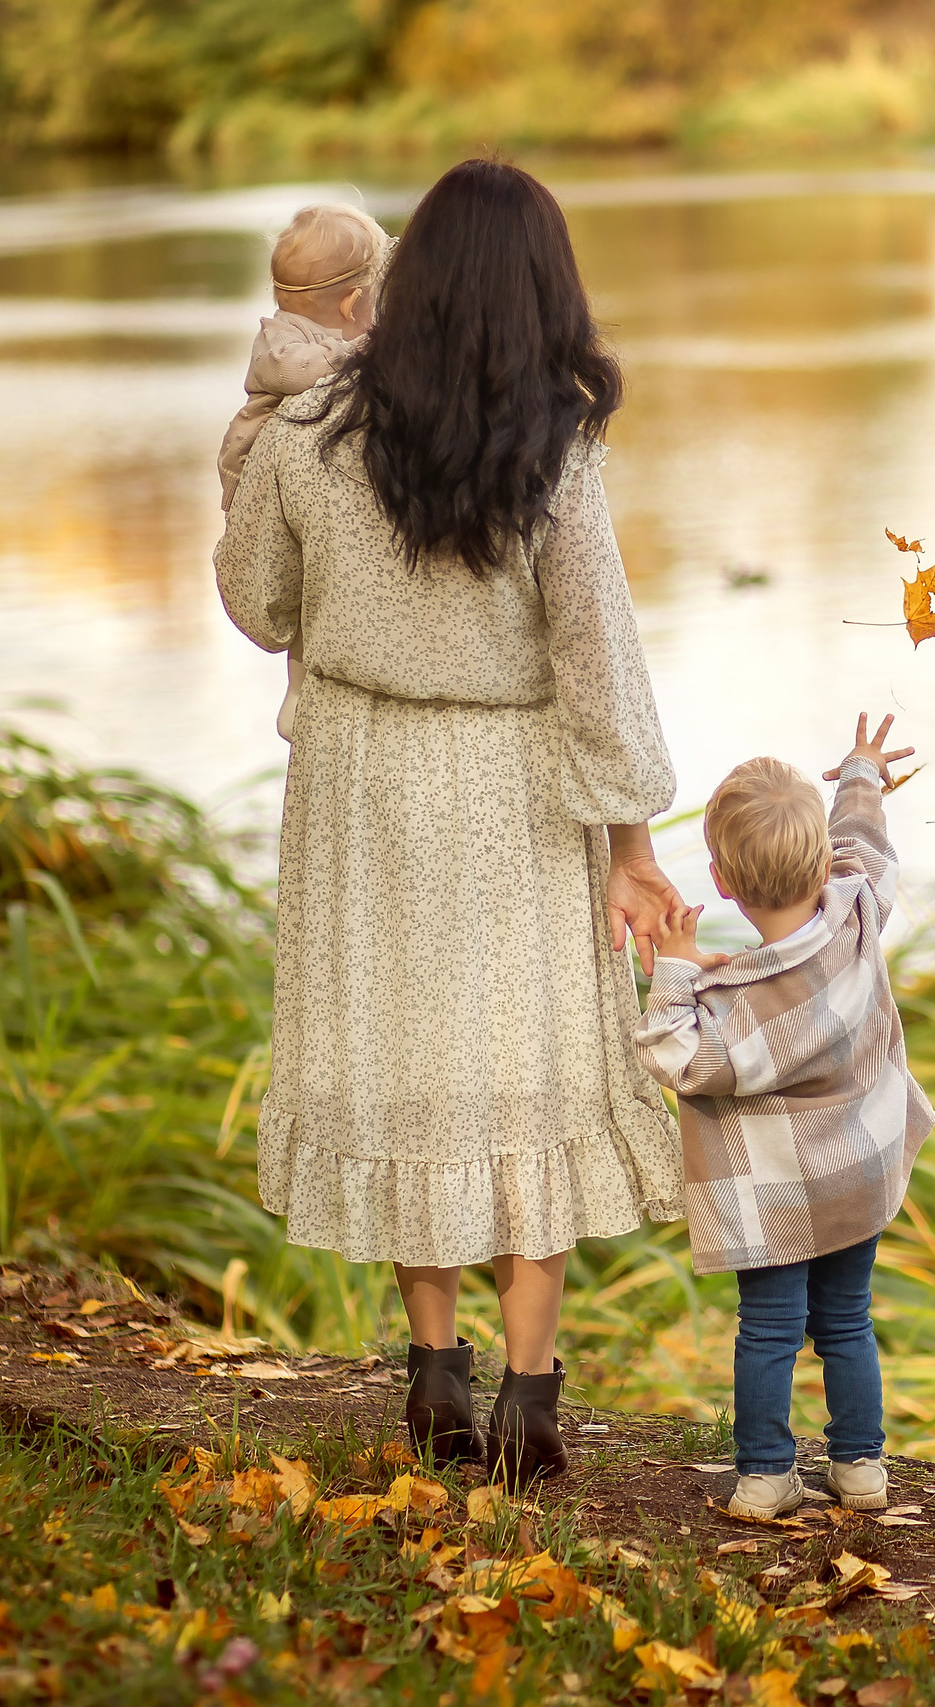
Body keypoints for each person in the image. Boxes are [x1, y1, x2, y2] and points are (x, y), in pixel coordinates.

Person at [214, 159, 686, 1486]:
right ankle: (529, 1396)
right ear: (545, 288)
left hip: (361, 783)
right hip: (512, 789)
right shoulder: (555, 449)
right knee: (524, 1068)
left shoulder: (313, 425)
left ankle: (435, 1372)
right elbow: (598, 655)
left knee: (404, 1063)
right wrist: (635, 842)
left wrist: (248, 453)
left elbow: (257, 603)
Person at [631, 715, 935, 1521]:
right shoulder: (859, 909)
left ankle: (766, 1474)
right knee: (847, 1319)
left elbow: (674, 1054)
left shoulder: (737, 1002)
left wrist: (672, 969)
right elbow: (865, 839)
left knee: (768, 1328)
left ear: (722, 881)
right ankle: (861, 1466)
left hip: (778, 1202)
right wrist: (861, 772)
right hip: (859, 1173)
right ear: (818, 858)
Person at [216, 201, 389, 747]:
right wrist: (367, 356)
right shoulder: (280, 339)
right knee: (296, 574)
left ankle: (308, 683)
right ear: (355, 300)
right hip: (253, 478)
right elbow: (297, 374)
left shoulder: (322, 336)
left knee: (315, 577)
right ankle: (294, 693)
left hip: (297, 481)